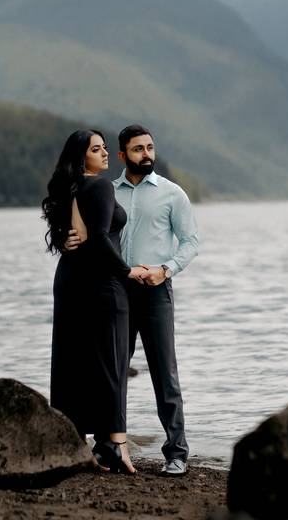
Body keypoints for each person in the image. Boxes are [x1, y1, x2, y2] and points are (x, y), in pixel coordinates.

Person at [67, 125, 199, 477]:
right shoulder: (105, 190)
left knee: (164, 373)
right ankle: (107, 445)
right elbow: (88, 236)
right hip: (114, 292)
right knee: (111, 372)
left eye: (150, 147)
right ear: (123, 155)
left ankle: (176, 452)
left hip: (156, 291)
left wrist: (165, 270)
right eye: (138, 149)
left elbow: (191, 242)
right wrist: (68, 242)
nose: (147, 154)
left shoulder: (173, 194)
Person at [41, 129, 147, 474]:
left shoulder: (69, 187)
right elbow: (100, 239)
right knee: (111, 363)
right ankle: (116, 446)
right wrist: (127, 272)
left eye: (104, 149)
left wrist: (65, 239)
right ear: (81, 156)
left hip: (71, 281)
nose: (105, 155)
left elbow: (73, 237)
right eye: (97, 150)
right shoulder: (101, 185)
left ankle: (78, 443)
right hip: (102, 283)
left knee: (72, 362)